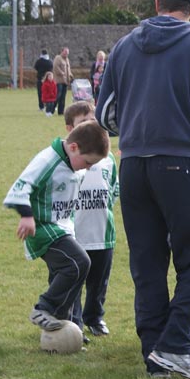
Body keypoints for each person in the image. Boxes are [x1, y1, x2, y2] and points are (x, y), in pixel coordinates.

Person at [95, 0, 190, 379]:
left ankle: (154, 353)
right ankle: (175, 343)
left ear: (156, 4)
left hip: (133, 164)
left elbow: (105, 115)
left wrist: (140, 128)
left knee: (148, 262)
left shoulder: (123, 45)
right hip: (181, 160)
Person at [3, 121, 110, 333]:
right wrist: (26, 215)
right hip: (42, 228)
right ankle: (44, 309)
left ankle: (63, 328)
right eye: (88, 162)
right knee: (79, 262)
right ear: (73, 147)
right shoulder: (47, 160)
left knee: (67, 273)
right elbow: (21, 185)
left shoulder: (73, 161)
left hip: (62, 228)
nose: (88, 168)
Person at [64, 102, 119, 338]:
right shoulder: (67, 160)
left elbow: (115, 189)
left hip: (102, 234)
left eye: (92, 121)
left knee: (98, 282)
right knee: (74, 279)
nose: (89, 127)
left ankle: (94, 317)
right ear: (70, 129)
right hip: (75, 234)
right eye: (82, 123)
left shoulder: (106, 159)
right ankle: (74, 322)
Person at [53, 47, 74, 115]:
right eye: (65, 52)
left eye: (67, 53)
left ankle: (61, 111)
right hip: (59, 81)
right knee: (58, 96)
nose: (66, 54)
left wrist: (71, 75)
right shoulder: (58, 58)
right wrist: (62, 73)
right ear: (62, 51)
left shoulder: (67, 59)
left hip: (65, 81)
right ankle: (51, 109)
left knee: (63, 97)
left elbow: (68, 69)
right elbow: (56, 67)